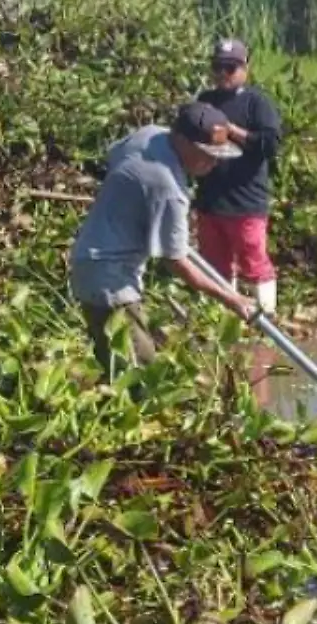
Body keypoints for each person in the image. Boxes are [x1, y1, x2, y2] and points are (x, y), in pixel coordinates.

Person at [69, 102, 257, 378]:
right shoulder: (167, 188)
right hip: (109, 279)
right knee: (140, 374)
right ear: (182, 140)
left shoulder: (150, 135)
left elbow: (114, 156)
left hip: (90, 260)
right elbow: (176, 262)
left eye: (218, 155)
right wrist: (233, 299)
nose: (213, 162)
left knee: (117, 362)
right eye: (207, 154)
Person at [194, 38, 285, 315]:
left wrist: (232, 130)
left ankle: (266, 315)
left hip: (246, 200)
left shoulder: (257, 103)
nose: (223, 73)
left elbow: (270, 144)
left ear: (245, 68)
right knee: (214, 262)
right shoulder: (205, 101)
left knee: (253, 259)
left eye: (230, 68)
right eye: (218, 67)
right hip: (210, 199)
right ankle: (222, 318)